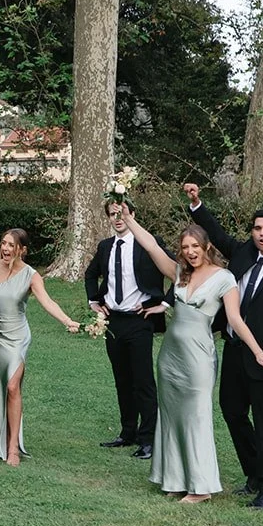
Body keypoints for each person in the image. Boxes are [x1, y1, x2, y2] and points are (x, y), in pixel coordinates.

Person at [122, 210, 263, 503]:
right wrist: (128, 219)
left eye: (195, 246)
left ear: (206, 247)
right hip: (170, 357)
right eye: (185, 248)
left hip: (198, 359)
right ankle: (173, 479)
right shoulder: (179, 273)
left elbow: (235, 320)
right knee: (170, 418)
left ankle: (201, 487)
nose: (190, 252)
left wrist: (258, 351)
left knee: (196, 417)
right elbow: (151, 246)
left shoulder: (225, 278)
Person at [183, 183, 263, 509]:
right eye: (257, 228)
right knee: (232, 411)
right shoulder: (243, 254)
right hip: (234, 351)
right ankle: (254, 475)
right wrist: (197, 204)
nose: (262, 234)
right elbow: (216, 234)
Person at [0, 228, 82, 466]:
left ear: (21, 250)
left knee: (13, 387)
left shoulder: (30, 275)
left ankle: (13, 448)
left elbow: (47, 301)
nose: (5, 249)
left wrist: (67, 320)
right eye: (3, 243)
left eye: (11, 246)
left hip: (16, 337)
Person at [83, 197, 170, 459]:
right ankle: (127, 431)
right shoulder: (106, 246)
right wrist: (94, 302)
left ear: (132, 213)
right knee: (122, 378)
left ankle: (149, 439)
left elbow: (180, 272)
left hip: (139, 319)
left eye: (121, 213)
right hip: (114, 322)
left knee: (143, 379)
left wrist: (163, 304)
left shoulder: (148, 245)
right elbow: (90, 274)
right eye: (112, 214)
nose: (117, 218)